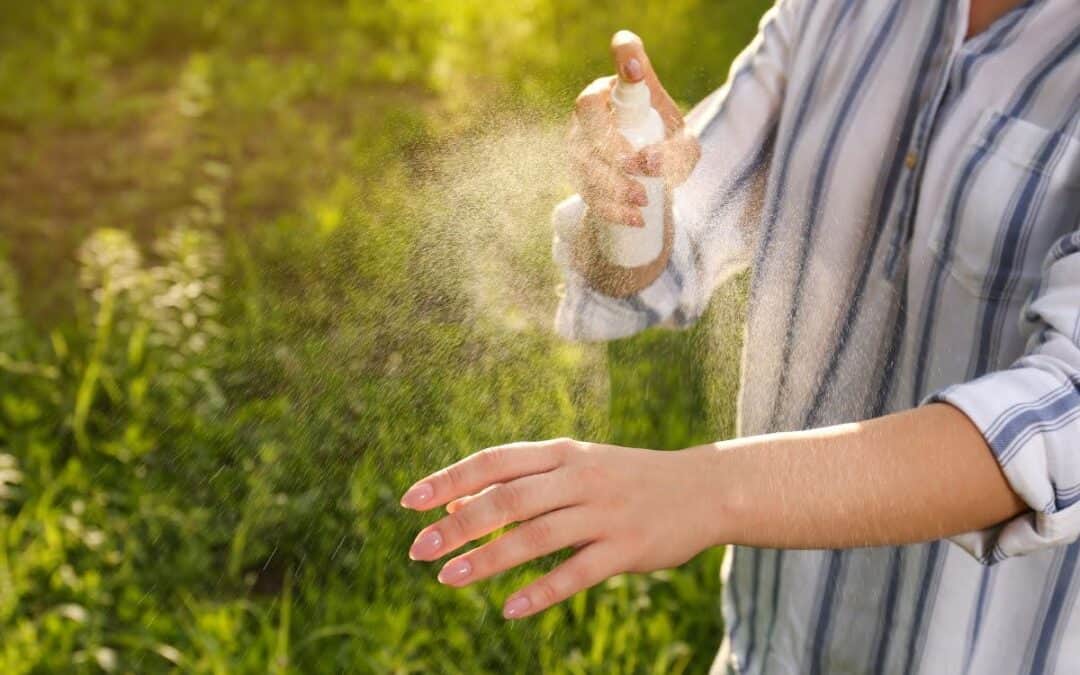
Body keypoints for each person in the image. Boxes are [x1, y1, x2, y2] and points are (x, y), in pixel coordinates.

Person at [401, 0, 1080, 672]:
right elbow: (684, 230)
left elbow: (1061, 413)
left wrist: (703, 490)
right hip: (772, 648)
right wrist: (631, 200)